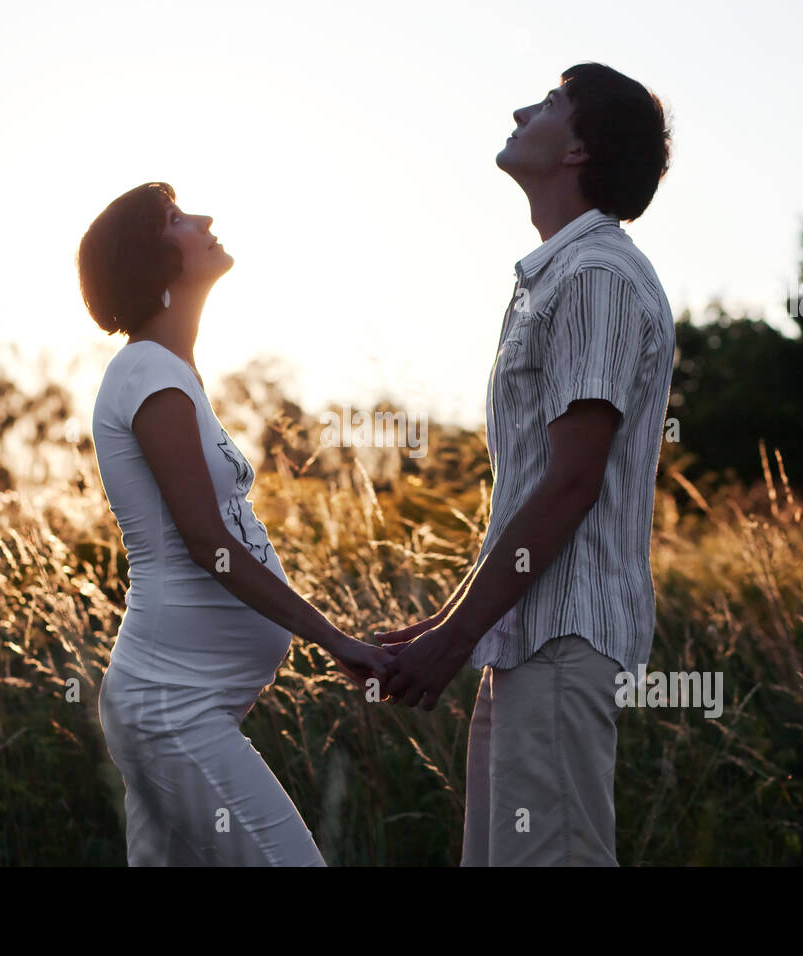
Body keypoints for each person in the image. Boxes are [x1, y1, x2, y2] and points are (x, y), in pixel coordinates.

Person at [377, 62, 675, 866]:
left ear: (579, 148)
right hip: (525, 641)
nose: (520, 109)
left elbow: (574, 482)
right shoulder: (560, 276)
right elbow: (539, 485)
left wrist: (454, 637)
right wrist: (449, 628)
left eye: (548, 102)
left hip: (560, 641)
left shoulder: (595, 277)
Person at [80, 182, 393, 866]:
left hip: (186, 706)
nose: (204, 218)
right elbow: (206, 543)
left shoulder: (172, 373)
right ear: (149, 258)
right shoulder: (148, 372)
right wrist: (333, 639)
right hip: (173, 708)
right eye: (175, 218)